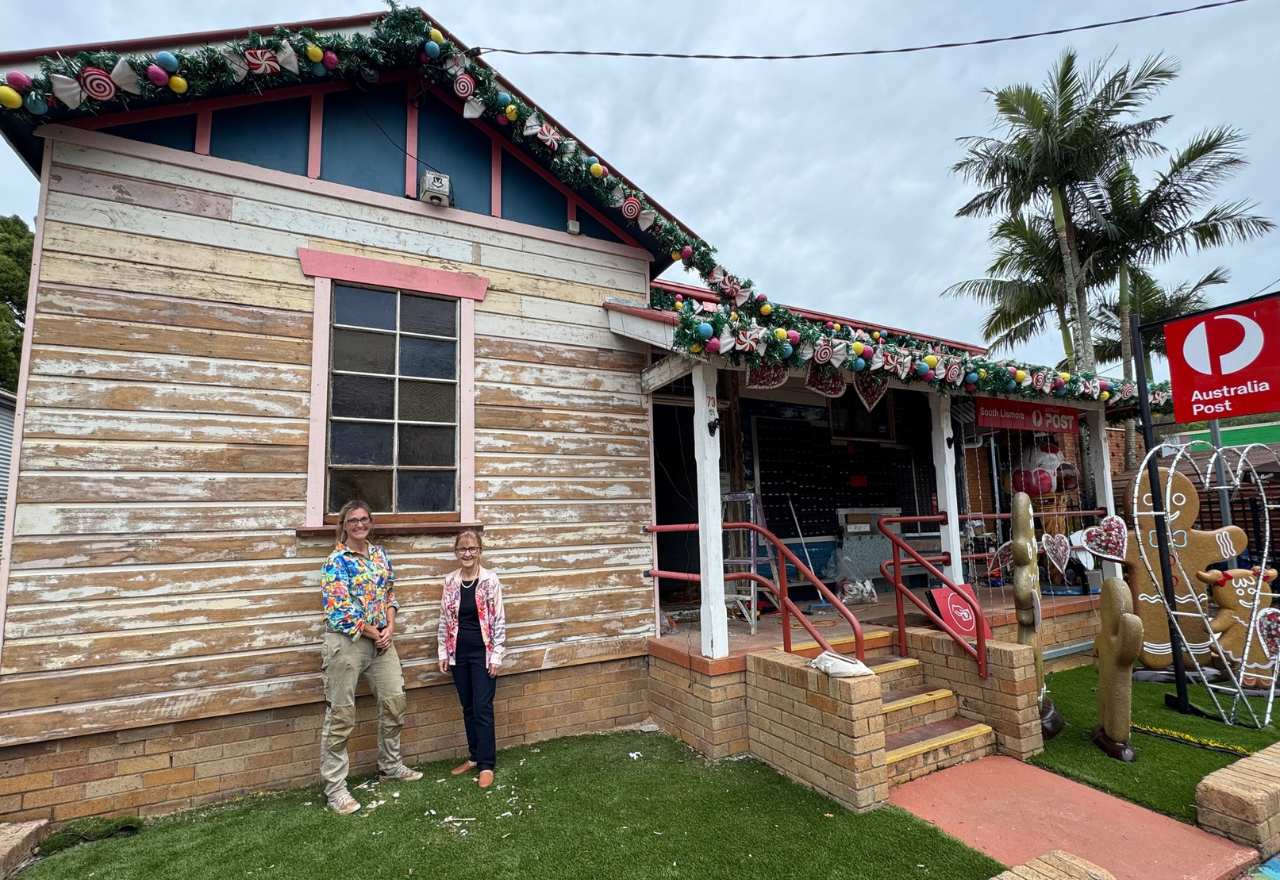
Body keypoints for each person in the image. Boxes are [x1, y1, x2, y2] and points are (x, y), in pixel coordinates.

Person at [319, 499, 423, 815]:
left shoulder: (379, 556)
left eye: (365, 519)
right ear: (344, 525)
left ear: (370, 523)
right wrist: (375, 632)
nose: (360, 524)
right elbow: (339, 611)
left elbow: (390, 595)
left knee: (394, 701)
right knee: (341, 716)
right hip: (347, 643)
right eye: (353, 520)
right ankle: (336, 790)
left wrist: (389, 626)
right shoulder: (335, 562)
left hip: (381, 640)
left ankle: (390, 767)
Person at [438, 530, 506, 789]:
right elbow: (444, 619)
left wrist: (496, 655)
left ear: (480, 551)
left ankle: (487, 764)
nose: (467, 554)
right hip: (459, 654)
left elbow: (498, 620)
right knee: (467, 707)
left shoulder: (490, 580)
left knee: (483, 708)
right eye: (462, 549)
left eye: (472, 549)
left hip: (483, 653)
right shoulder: (451, 581)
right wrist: (443, 652)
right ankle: (475, 757)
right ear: (456, 553)